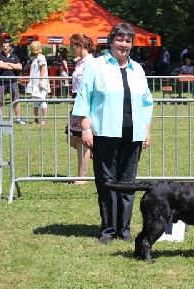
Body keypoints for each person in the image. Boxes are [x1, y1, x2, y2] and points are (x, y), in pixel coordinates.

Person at [72, 23, 153, 244]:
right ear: (111, 42)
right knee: (107, 182)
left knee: (128, 183)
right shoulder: (96, 66)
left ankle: (124, 229)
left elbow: (147, 102)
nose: (123, 45)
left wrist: (146, 129)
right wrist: (86, 128)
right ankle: (108, 229)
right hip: (105, 132)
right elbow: (83, 99)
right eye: (120, 40)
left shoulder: (138, 69)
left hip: (133, 133)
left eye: (128, 41)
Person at [65, 33, 95, 185]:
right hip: (76, 101)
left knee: (81, 140)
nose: (71, 49)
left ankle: (82, 177)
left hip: (84, 103)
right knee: (71, 138)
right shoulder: (80, 62)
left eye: (72, 46)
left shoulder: (91, 62)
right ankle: (94, 154)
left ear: (80, 46)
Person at [0, 40, 25, 125]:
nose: (5, 48)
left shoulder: (15, 56)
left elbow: (20, 67)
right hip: (1, 81)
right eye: (4, 46)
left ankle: (18, 118)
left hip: (13, 81)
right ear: (2, 47)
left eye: (7, 46)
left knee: (16, 100)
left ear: (10, 47)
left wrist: (8, 64)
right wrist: (13, 66)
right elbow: (1, 65)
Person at [26, 40, 50, 125]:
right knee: (35, 101)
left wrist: (41, 81)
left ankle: (44, 120)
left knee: (43, 101)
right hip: (34, 82)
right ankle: (36, 119)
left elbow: (43, 70)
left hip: (40, 82)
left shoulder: (41, 57)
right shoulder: (35, 58)